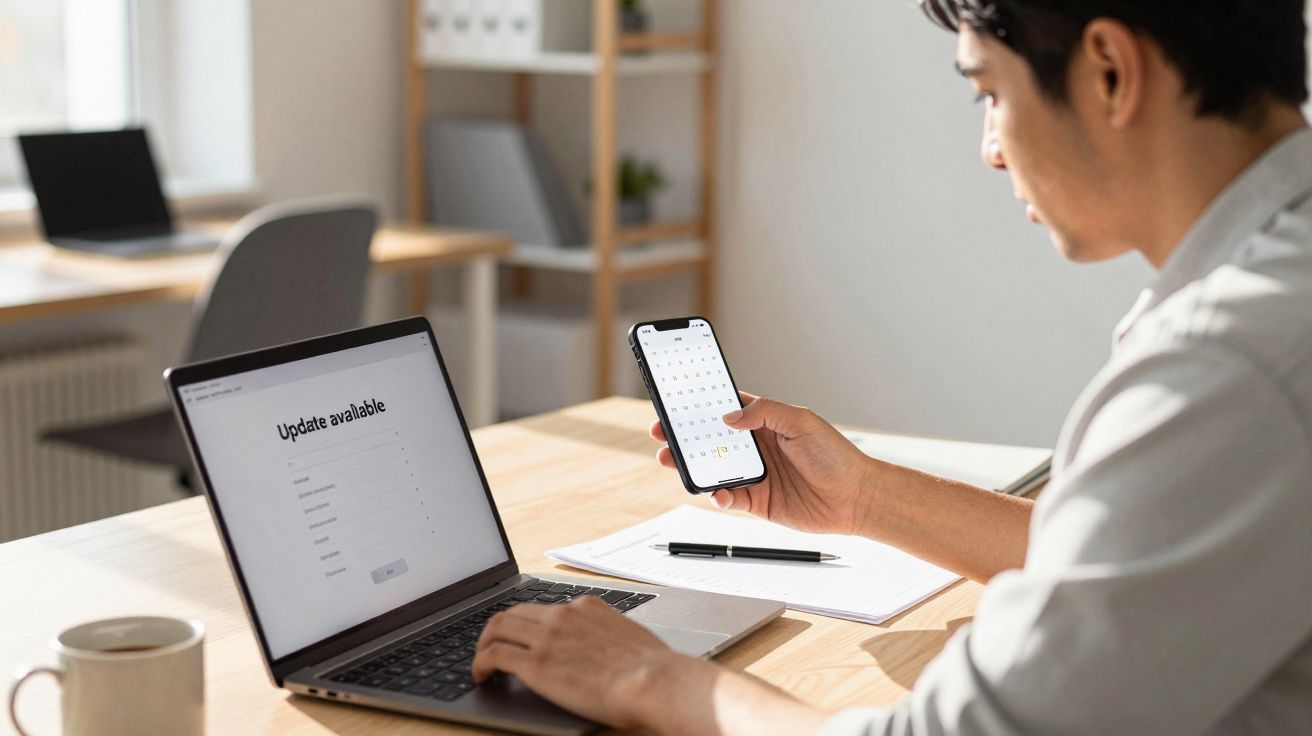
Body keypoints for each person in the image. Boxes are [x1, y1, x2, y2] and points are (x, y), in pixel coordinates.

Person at [471, 1, 1312, 733]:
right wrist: (865, 496)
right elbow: (1128, 549)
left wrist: (648, 678)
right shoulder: (1272, 285)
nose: (990, 148)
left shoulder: (1230, 362)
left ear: (1109, 71)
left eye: (990, 92)